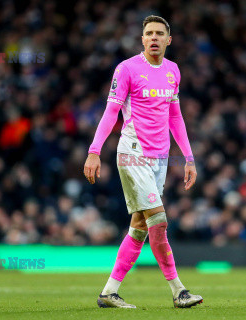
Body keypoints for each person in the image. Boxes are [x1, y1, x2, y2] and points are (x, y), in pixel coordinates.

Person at [84, 15, 203, 309]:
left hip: (160, 158)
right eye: (148, 33)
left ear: (168, 40)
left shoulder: (173, 71)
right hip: (132, 152)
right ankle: (178, 290)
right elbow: (111, 113)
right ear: (142, 39)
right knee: (158, 221)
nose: (153, 38)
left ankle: (109, 292)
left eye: (159, 33)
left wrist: (188, 158)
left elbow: (175, 117)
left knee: (139, 226)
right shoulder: (126, 69)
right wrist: (94, 150)